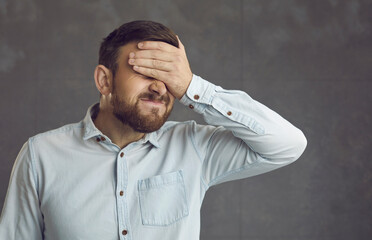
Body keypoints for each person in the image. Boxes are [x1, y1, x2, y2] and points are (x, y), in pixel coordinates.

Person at [0, 20, 307, 240]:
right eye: (145, 71)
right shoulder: (41, 154)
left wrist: (192, 87)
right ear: (104, 81)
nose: (160, 86)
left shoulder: (194, 147)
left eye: (169, 75)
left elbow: (288, 144)